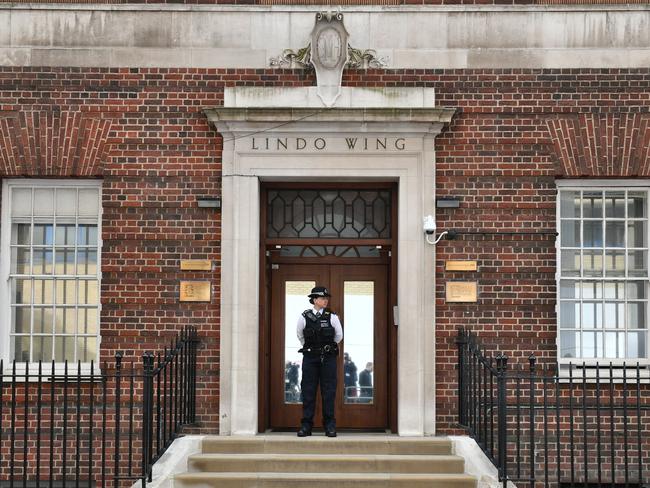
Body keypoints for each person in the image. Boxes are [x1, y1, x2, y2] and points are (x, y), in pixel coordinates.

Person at [296, 286, 342, 437]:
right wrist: (312, 349)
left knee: (328, 392)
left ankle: (330, 425)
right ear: (314, 300)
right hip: (310, 358)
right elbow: (300, 335)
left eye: (326, 298)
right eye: (322, 298)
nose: (325, 300)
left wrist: (325, 348)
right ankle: (306, 426)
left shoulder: (332, 316)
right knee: (308, 391)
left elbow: (338, 336)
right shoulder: (304, 316)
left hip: (328, 358)